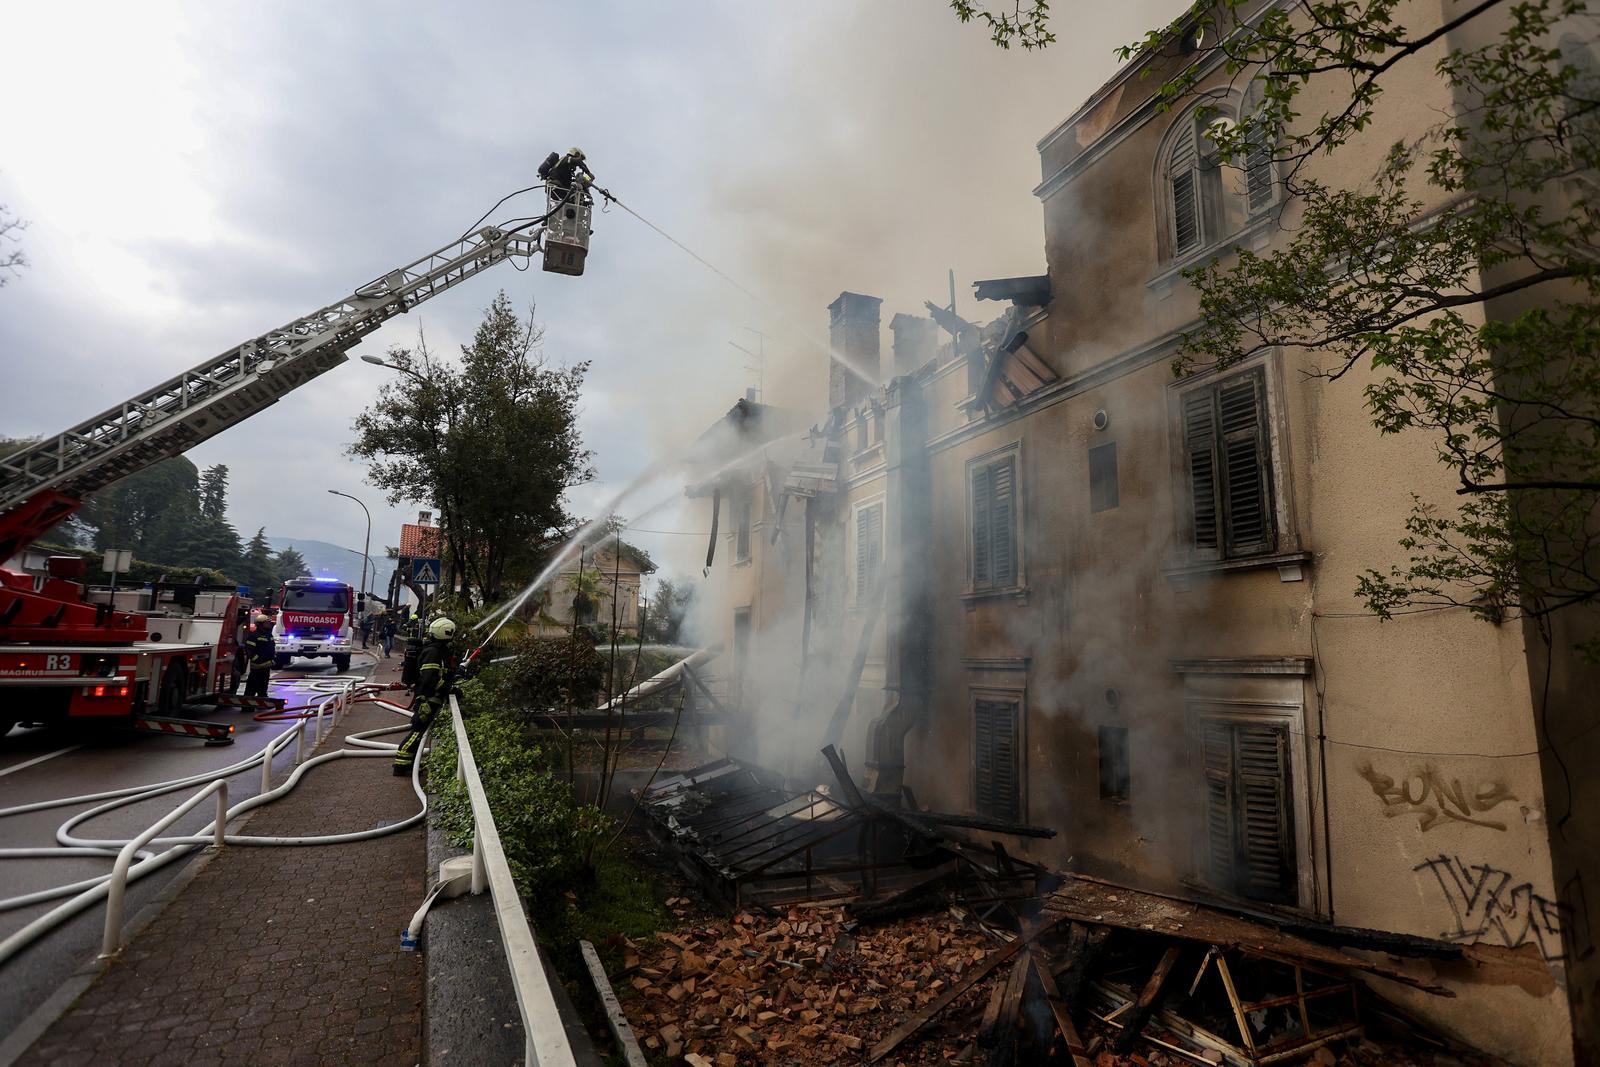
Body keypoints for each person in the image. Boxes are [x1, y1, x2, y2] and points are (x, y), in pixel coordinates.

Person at [393, 616, 457, 776]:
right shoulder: (433, 652)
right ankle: (401, 765)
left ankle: (409, 764)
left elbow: (440, 673)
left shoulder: (436, 649)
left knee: (419, 732)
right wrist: (448, 688)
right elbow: (430, 678)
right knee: (417, 731)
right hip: (428, 699)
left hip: (430, 698)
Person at [243, 612, 276, 698]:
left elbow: (271, 648)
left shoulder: (269, 635)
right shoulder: (254, 636)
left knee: (263, 686)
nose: (269, 624)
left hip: (266, 667)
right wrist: (258, 659)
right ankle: (248, 705)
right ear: (260, 624)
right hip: (257, 668)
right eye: (266, 622)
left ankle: (262, 700)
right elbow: (249, 651)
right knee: (252, 687)